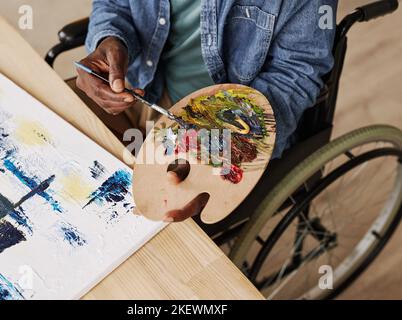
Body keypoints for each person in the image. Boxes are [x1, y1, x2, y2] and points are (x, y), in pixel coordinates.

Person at [76, 0, 337, 222]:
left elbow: (297, 71)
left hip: (227, 130)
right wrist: (110, 39)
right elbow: (114, 5)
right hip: (145, 89)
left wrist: (222, 149)